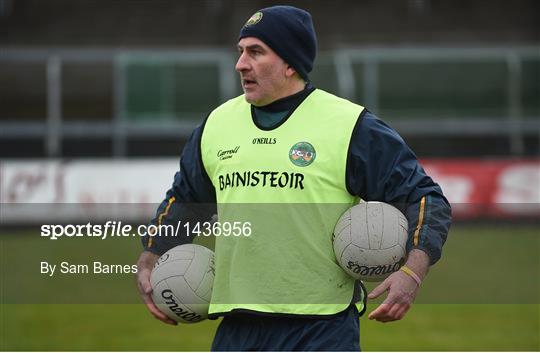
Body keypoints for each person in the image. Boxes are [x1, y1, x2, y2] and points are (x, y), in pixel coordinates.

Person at [136, 5, 451, 351]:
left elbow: (424, 197)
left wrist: (413, 271)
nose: (241, 63)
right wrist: (152, 256)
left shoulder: (349, 126)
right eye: (241, 52)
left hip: (323, 330)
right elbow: (185, 200)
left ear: (290, 63)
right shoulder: (216, 125)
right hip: (238, 329)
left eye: (256, 52)